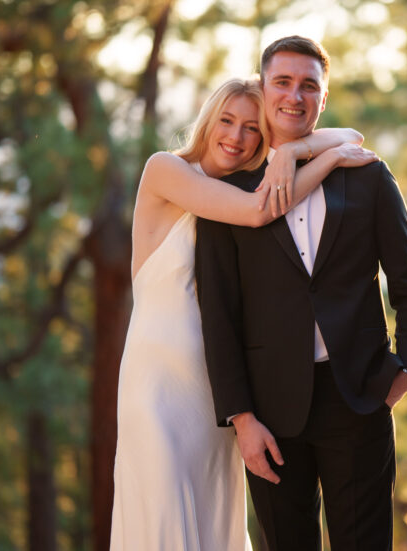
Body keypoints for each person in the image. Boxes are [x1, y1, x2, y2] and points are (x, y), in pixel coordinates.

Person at [109, 76, 378, 551]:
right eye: (227, 121)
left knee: (213, 522)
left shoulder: (245, 185)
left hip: (216, 392)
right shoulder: (166, 170)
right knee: (163, 513)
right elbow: (260, 211)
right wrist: (324, 158)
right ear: (209, 120)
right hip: (157, 388)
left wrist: (292, 152)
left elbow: (351, 135)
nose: (236, 136)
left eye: (252, 129)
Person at [195, 37, 407, 550]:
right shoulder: (230, 192)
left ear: (322, 100)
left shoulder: (367, 176)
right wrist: (240, 418)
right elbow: (219, 314)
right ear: (263, 90)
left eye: (309, 86)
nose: (294, 96)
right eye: (282, 82)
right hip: (269, 414)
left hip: (358, 397)